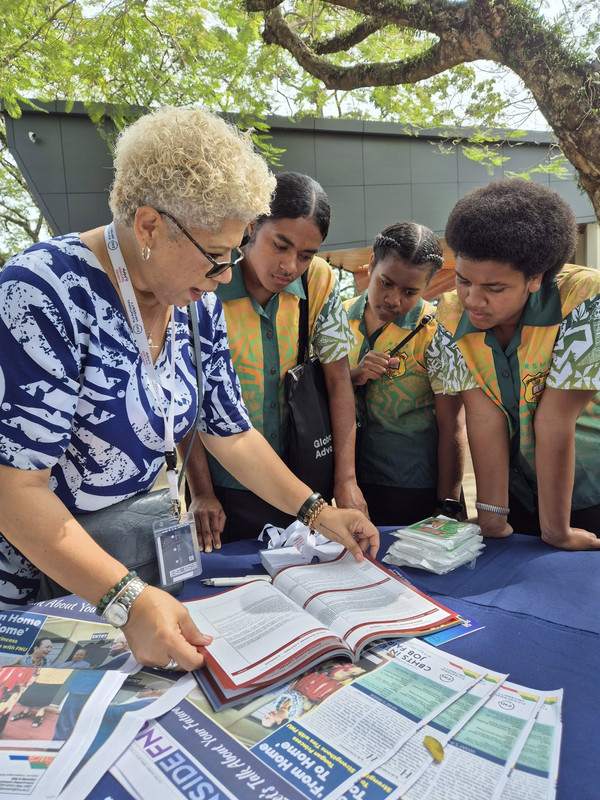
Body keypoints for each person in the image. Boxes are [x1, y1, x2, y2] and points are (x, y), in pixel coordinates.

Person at [0, 107, 379, 672]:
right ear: (150, 225)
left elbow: (230, 432)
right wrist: (122, 599)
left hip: (134, 559)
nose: (225, 275)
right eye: (214, 254)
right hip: (49, 575)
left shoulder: (194, 304)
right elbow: (14, 488)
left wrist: (316, 512)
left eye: (234, 252)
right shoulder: (41, 291)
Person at [193, 171, 368, 546]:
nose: (290, 266)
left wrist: (346, 480)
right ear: (252, 226)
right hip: (226, 485)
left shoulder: (317, 281)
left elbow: (339, 382)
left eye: (305, 255)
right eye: (280, 246)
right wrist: (201, 490)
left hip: (300, 477)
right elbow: (187, 396)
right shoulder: (208, 282)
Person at [434, 178, 600, 549]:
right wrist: (493, 516)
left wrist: (557, 530)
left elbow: (556, 419)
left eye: (494, 289)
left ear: (536, 279)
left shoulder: (586, 297)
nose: (473, 300)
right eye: (463, 280)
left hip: (588, 493)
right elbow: (483, 415)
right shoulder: (448, 312)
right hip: (520, 496)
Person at [344, 223, 466, 526]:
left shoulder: (438, 332)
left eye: (410, 292)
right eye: (386, 283)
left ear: (428, 285)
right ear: (371, 264)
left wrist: (446, 502)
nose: (394, 299)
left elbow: (452, 425)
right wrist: (352, 377)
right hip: (352, 483)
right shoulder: (338, 318)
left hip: (417, 486)